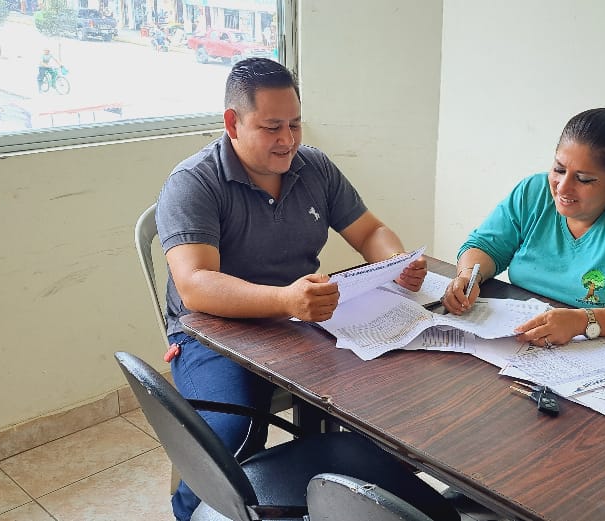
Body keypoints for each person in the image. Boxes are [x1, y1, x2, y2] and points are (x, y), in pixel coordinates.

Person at [154, 57, 427, 521]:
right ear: (232, 123)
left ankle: (339, 500)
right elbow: (196, 285)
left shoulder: (313, 167)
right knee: (231, 432)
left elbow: (369, 231)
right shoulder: (193, 182)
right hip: (213, 332)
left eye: (295, 124)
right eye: (272, 127)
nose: (288, 140)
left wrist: (396, 262)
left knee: (387, 397)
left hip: (302, 320)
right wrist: (283, 300)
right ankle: (191, 511)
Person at [442, 108, 605, 347]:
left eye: (583, 179)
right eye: (559, 169)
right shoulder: (533, 193)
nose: (562, 187)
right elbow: (485, 246)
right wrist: (468, 276)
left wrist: (582, 321)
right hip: (536, 341)